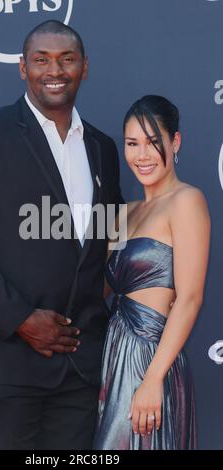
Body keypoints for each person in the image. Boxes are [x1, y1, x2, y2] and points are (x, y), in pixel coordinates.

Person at [0, 21, 122, 450]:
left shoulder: (103, 148)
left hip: (78, 370)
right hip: (2, 368)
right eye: (41, 60)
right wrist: (19, 318)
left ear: (84, 68)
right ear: (23, 68)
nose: (54, 70)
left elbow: (106, 241)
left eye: (66, 59)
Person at [93, 95, 210, 450]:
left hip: (151, 360)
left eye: (153, 142)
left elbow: (189, 299)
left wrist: (153, 378)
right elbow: (96, 291)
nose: (142, 155)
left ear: (175, 142)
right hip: (113, 356)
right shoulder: (123, 213)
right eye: (132, 144)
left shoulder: (187, 201)